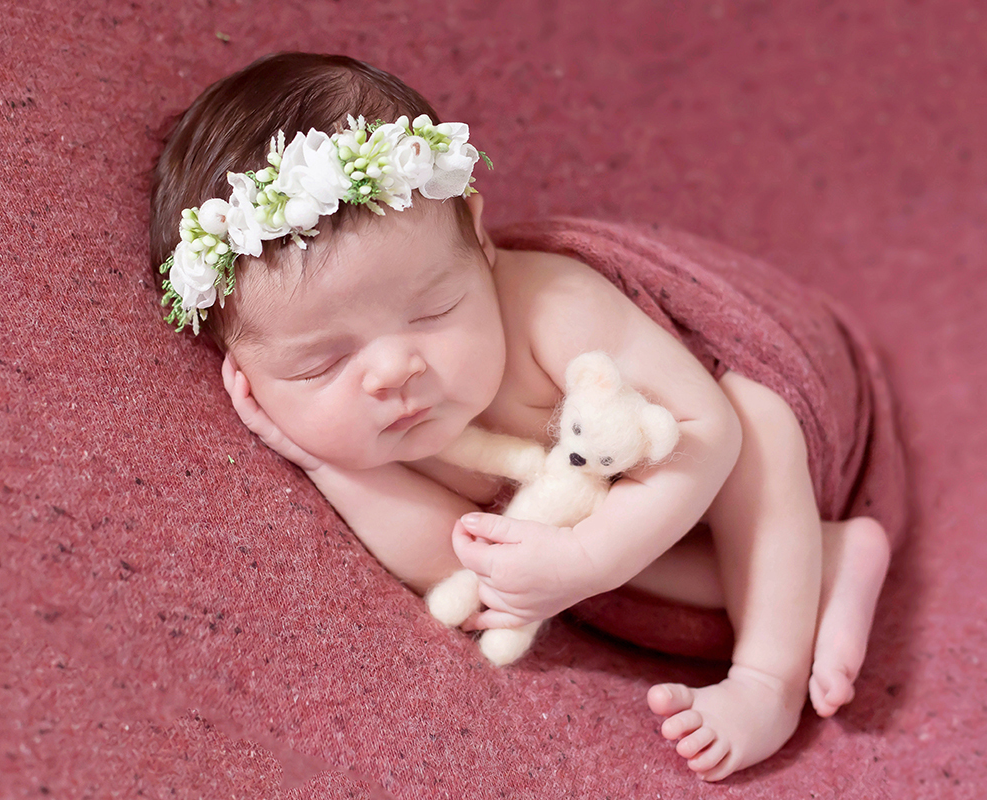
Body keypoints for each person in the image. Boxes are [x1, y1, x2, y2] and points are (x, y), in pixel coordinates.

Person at [149, 52, 897, 781]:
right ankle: (828, 561)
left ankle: (767, 679)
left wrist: (587, 560)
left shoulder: (550, 305)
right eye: (321, 366)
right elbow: (454, 556)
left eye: (433, 310)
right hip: (625, 508)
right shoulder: (360, 429)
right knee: (557, 561)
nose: (393, 373)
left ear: (478, 238)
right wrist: (325, 463)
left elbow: (707, 431)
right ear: (248, 377)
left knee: (758, 420)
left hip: (733, 410)